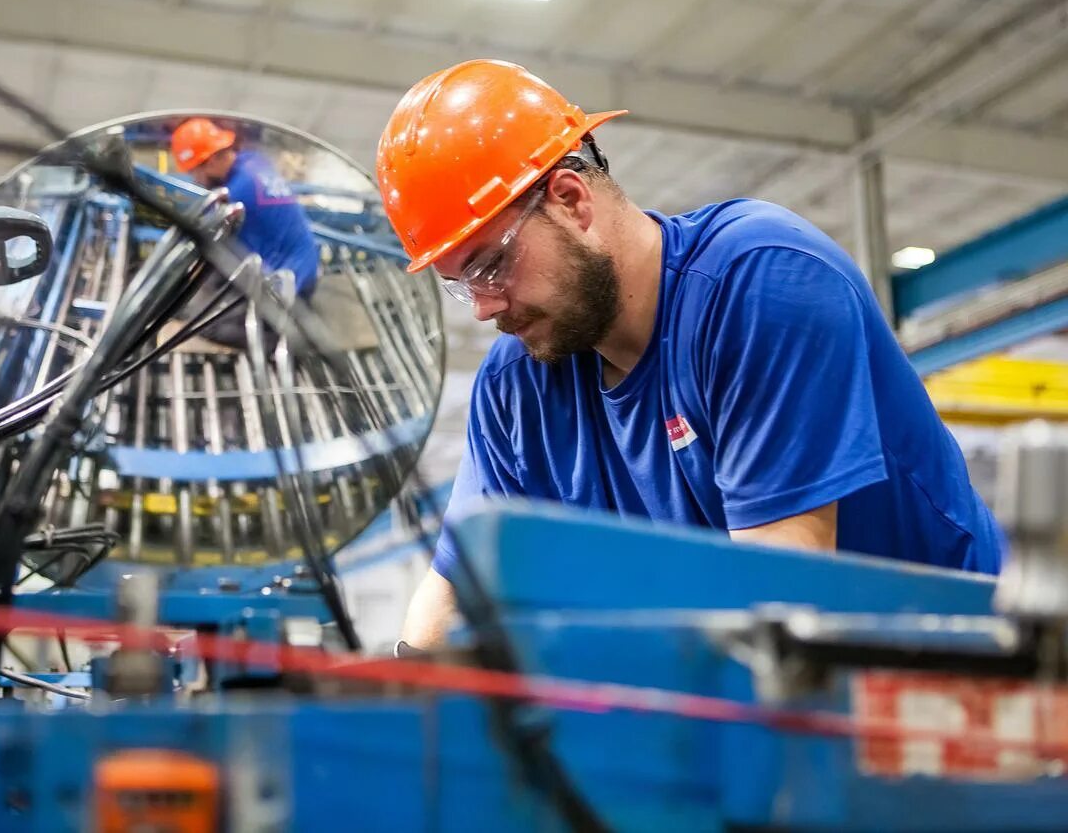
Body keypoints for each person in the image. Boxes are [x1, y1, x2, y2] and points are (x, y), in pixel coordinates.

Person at [375, 59, 1007, 650]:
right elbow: (458, 588)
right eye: (462, 284)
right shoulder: (518, 387)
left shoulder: (762, 283)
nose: (485, 307)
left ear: (571, 201)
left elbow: (779, 597)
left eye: (491, 264)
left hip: (955, 676)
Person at [170, 118, 320, 349]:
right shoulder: (253, 161)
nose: (194, 179)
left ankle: (287, 340)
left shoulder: (232, 197)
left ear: (209, 162)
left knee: (204, 323)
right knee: (211, 282)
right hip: (304, 264)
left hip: (288, 286)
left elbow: (207, 245)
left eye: (194, 171)